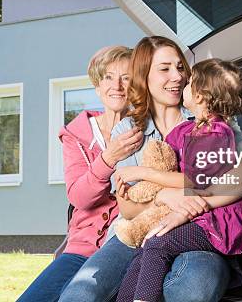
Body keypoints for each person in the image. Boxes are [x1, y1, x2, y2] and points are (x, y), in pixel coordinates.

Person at [58, 37, 242, 302]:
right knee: (79, 295)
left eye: (180, 68)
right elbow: (128, 208)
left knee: (192, 287)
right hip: (137, 233)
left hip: (199, 230)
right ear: (144, 76)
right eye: (165, 69)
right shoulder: (129, 131)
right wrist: (162, 196)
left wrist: (190, 199)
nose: (177, 76)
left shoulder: (208, 115)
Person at [115, 58, 242, 302]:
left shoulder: (216, 134)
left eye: (189, 82)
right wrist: (139, 188)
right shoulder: (186, 131)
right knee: (145, 248)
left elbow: (193, 181)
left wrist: (142, 174)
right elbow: (164, 160)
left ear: (199, 96)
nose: (183, 85)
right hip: (196, 216)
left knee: (157, 243)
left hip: (216, 223)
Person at [16, 46, 142, 302]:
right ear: (97, 86)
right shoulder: (77, 134)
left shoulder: (145, 130)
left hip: (126, 245)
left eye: (126, 77)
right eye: (108, 77)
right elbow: (79, 197)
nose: (117, 85)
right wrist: (108, 158)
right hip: (81, 250)